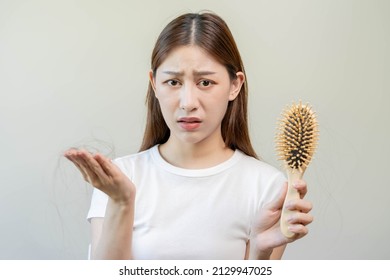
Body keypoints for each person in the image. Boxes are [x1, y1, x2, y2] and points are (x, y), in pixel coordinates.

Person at [64, 12, 313, 260]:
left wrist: (260, 251)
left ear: (234, 85)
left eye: (205, 83)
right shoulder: (119, 179)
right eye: (173, 82)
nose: (188, 102)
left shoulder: (266, 187)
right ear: (154, 84)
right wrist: (122, 201)